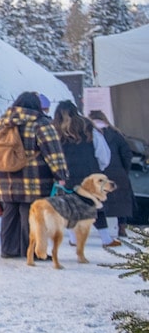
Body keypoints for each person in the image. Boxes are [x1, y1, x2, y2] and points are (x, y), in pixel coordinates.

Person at [0, 92, 68, 260]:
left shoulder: (1, 123)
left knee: (10, 212)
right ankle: (34, 251)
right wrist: (61, 174)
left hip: (4, 178)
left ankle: (8, 249)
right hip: (34, 179)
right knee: (31, 214)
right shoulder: (41, 124)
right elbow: (53, 152)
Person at [54, 101, 114, 249]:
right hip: (89, 172)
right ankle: (106, 238)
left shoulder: (54, 130)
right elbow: (103, 152)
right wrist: (100, 168)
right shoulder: (88, 128)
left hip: (65, 174)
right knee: (95, 205)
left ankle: (74, 239)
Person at [88, 110, 134, 242]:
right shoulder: (116, 134)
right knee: (122, 202)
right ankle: (122, 228)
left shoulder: (90, 134)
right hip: (118, 172)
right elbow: (127, 154)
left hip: (99, 174)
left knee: (99, 202)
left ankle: (103, 229)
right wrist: (124, 170)